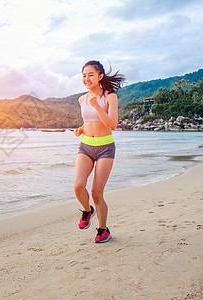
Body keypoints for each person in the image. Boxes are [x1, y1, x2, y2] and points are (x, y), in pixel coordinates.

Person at [73, 60, 125, 243]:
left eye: (90, 75)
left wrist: (96, 105)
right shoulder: (82, 99)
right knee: (78, 186)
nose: (86, 78)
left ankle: (103, 230)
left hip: (105, 148)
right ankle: (87, 210)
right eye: (84, 75)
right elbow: (89, 122)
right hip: (85, 146)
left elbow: (112, 124)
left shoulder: (109, 96)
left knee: (96, 192)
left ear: (100, 76)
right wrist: (81, 129)